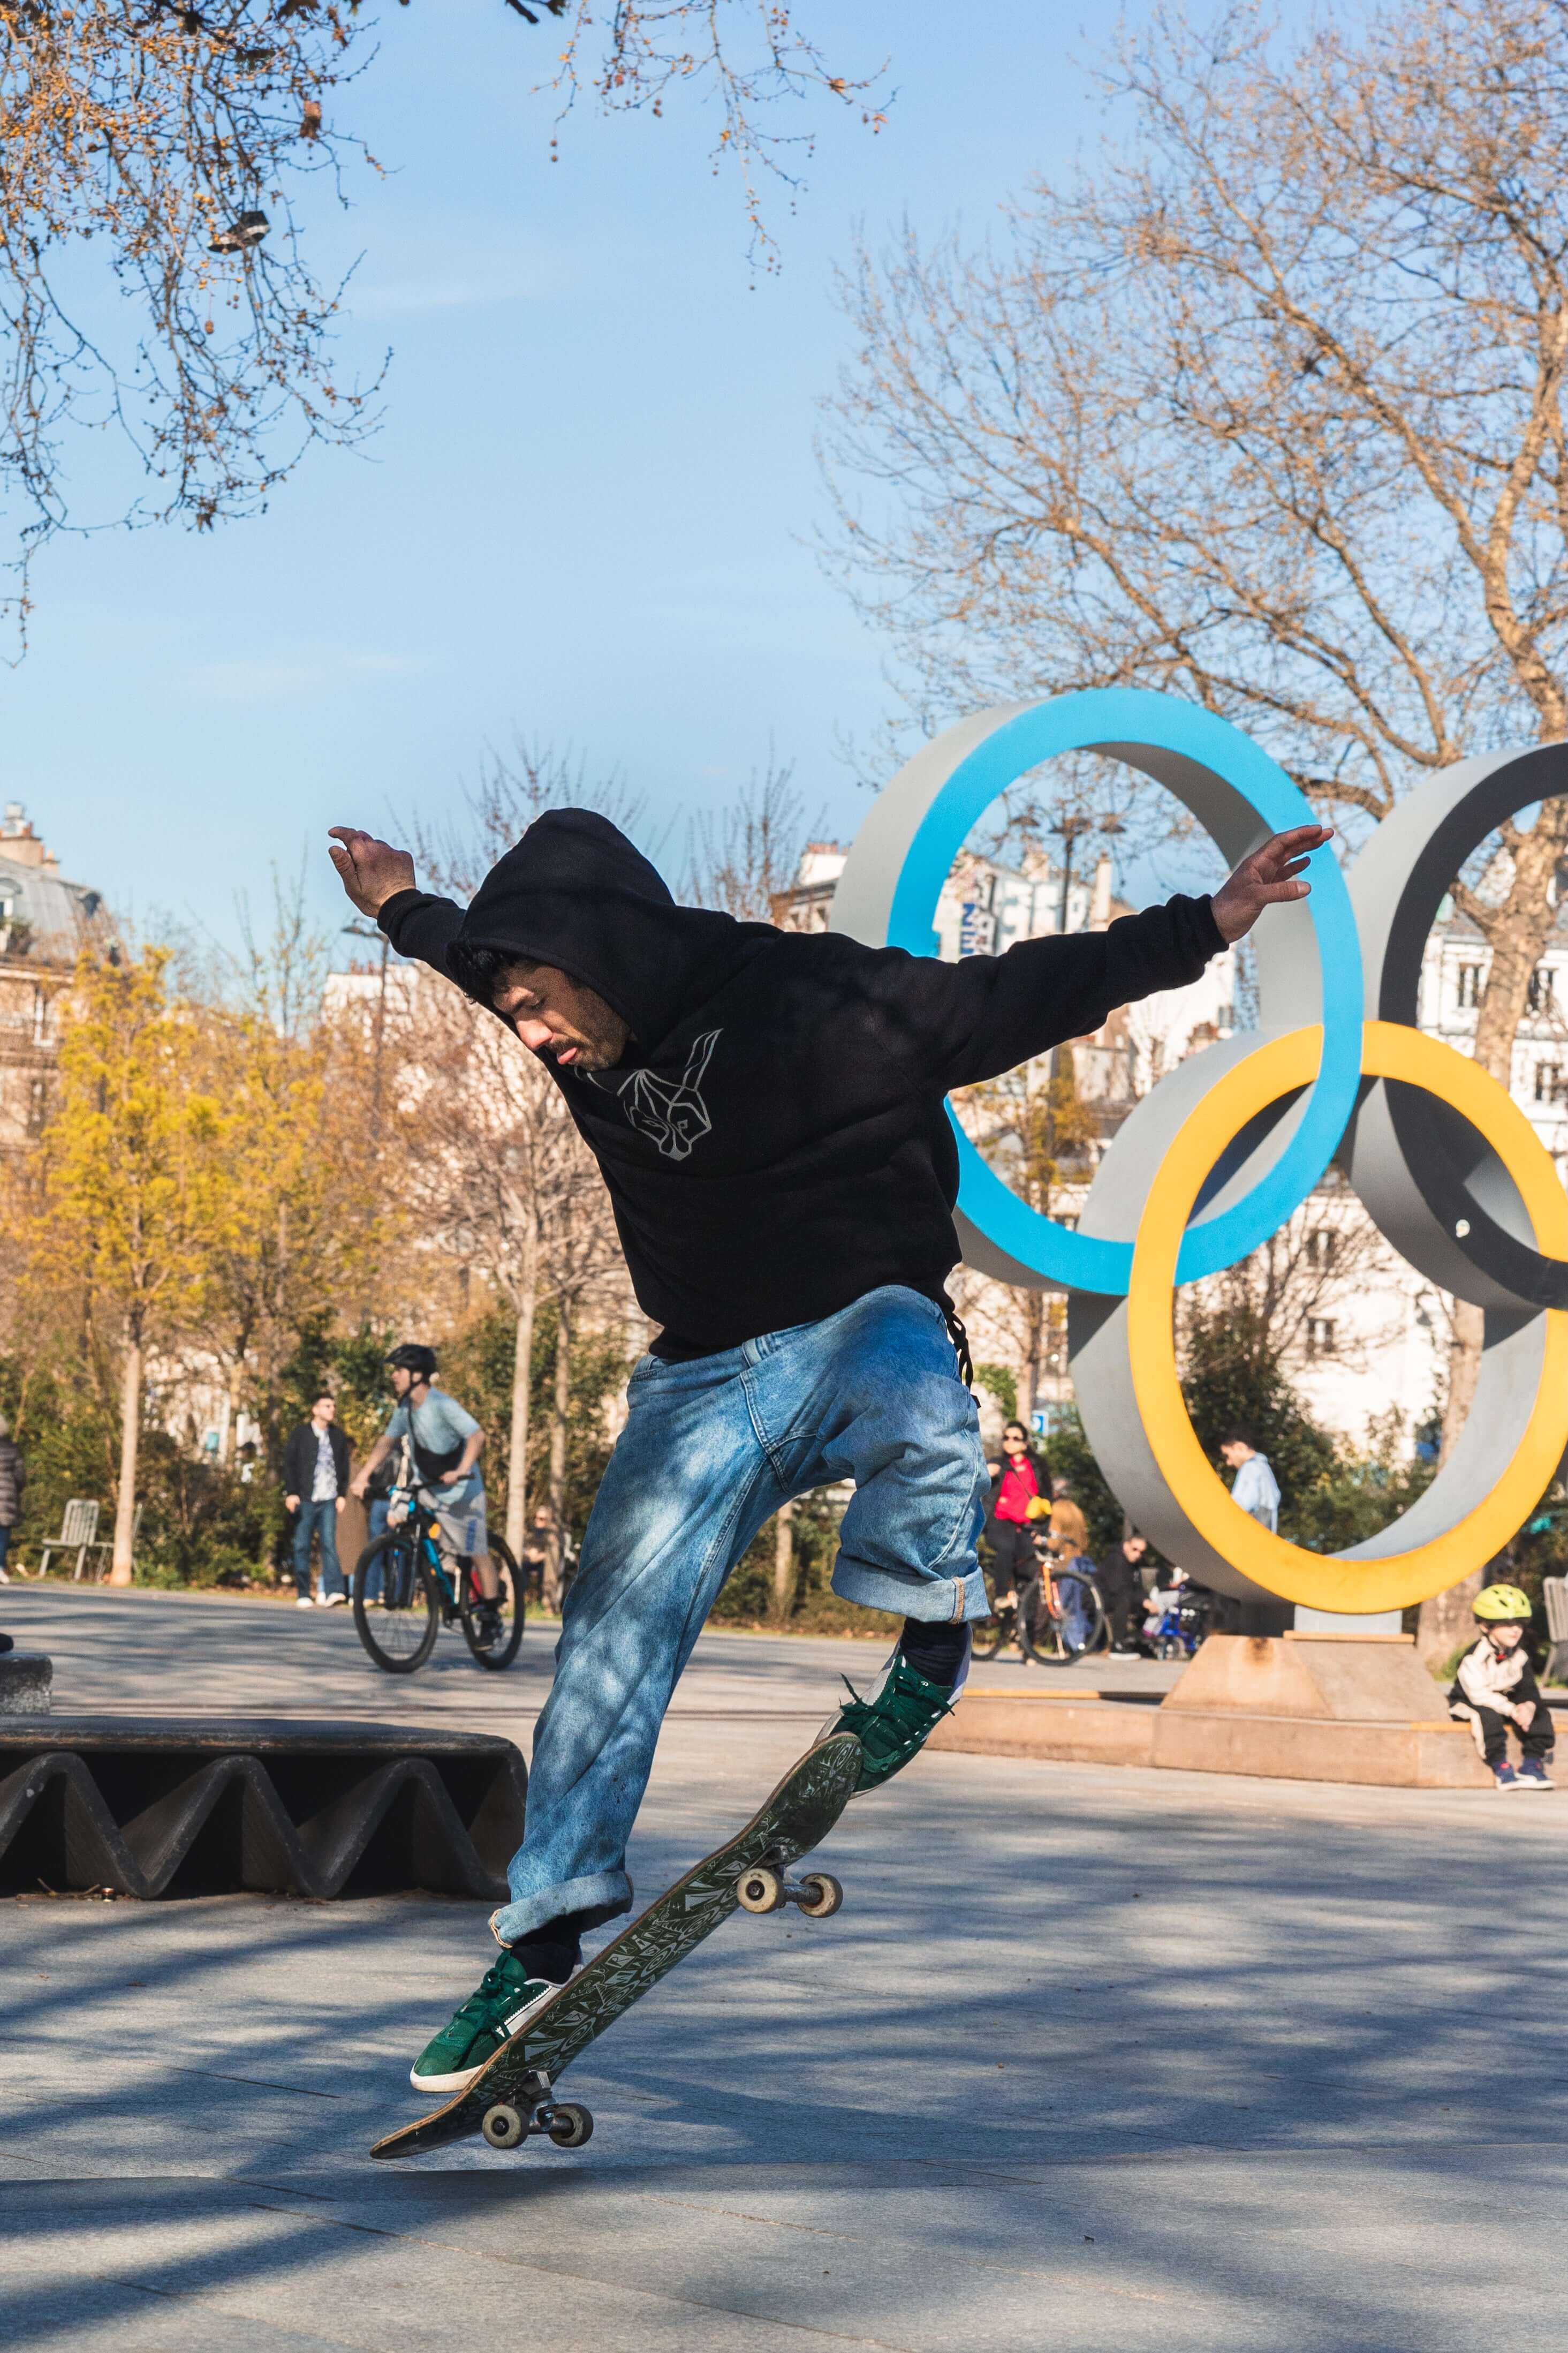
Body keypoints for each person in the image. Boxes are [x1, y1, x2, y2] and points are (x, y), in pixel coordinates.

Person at [328, 796, 1326, 2092]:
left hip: (858, 1317)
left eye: (540, 1007)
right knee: (607, 1642)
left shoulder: (821, 995)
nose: (532, 1037)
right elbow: (468, 949)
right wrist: (400, 903)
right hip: (698, 1377)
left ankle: (928, 1637)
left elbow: (1020, 988)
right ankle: (544, 1932)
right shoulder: (552, 1002)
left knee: (921, 1399)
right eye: (518, 1012)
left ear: (601, 955)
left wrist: (1208, 920)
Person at [351, 1346, 501, 1608]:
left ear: (418, 1375)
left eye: (399, 1370)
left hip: (463, 1491)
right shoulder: (405, 1409)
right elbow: (386, 1443)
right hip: (428, 1485)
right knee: (398, 1517)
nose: (394, 1376)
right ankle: (433, 1568)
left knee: (477, 1553)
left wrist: (461, 1471)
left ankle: (490, 1613)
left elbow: (477, 1436)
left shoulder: (442, 1405)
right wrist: (363, 1477)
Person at [1449, 1582, 1555, 1791]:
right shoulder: (1474, 1656)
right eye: (1507, 1624)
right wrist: (1512, 1710)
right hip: (1470, 1703)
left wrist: (1529, 1707)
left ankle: (1531, 1765)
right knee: (1487, 1716)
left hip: (1507, 1706)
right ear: (1485, 1626)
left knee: (1541, 1713)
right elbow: (1478, 1695)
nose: (1515, 1629)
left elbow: (1528, 1689)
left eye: (1519, 1623)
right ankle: (1500, 1766)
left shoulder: (1519, 1656)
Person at [283, 1392, 351, 1608]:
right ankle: (303, 1592)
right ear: (315, 1409)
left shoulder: (338, 1436)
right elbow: (289, 1464)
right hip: (306, 1498)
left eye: (333, 1406)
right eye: (327, 1406)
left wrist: (342, 1494)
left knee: (329, 1544)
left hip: (329, 1498)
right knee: (302, 1545)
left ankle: (333, 1591)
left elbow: (344, 1467)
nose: (332, 1409)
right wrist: (291, 1492)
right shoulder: (301, 1434)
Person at [984, 1420, 1048, 1609]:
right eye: (1006, 1437)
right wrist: (987, 1474)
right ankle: (1001, 1595)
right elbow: (979, 1480)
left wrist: (1042, 1531)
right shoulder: (998, 1464)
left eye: (1015, 1438)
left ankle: (1022, 1627)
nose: (1010, 1442)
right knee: (1006, 1547)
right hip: (1000, 1521)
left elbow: (1047, 1500)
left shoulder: (1037, 1467)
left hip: (1028, 1526)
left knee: (1027, 1572)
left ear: (1025, 1443)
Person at [1094, 1531, 1150, 1654]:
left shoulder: (1135, 1566)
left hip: (1116, 1597)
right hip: (1098, 1598)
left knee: (1146, 1605)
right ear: (1126, 1546)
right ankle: (1117, 1644)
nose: (1138, 1554)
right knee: (1123, 1601)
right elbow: (1118, 1589)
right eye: (1135, 1549)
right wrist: (1142, 1600)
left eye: (1141, 1552)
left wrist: (1146, 1601)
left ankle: (1140, 1642)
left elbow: (1139, 1589)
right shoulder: (1116, 1560)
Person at [1219, 1427, 1280, 1533]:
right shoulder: (1265, 1469)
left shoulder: (1250, 1468)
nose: (1229, 1462)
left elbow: (1242, 1505)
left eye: (1227, 1455)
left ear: (1240, 1447)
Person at [0, 1413, 23, 1585]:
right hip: (7, 1497)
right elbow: (20, 1476)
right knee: (3, 1535)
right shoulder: (12, 1449)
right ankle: (0, 1567)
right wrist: (15, 1490)